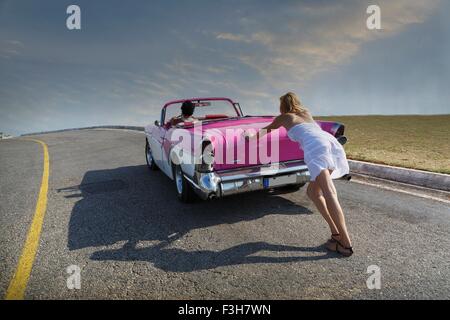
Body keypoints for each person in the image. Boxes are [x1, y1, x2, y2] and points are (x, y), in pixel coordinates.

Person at [244, 92, 353, 257]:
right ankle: (336, 234)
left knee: (329, 193)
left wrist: (248, 137)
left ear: (282, 106)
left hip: (315, 148)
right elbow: (308, 129)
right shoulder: (306, 113)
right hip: (330, 142)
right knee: (313, 192)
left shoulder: (283, 117)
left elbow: (263, 132)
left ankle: (346, 244)